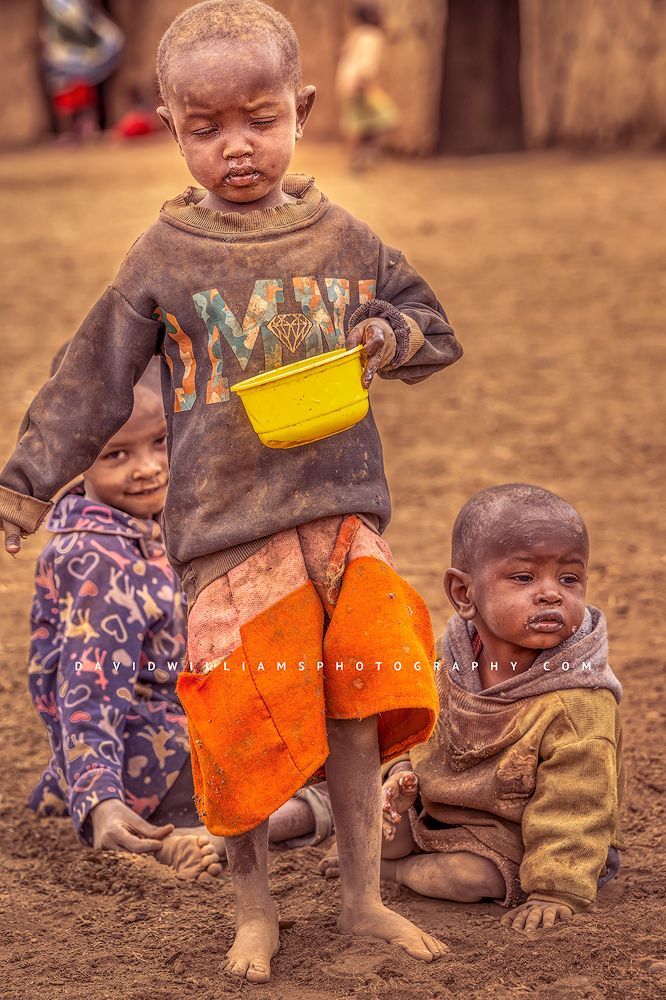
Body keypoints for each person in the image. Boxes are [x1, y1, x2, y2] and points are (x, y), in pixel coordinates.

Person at [0, 0, 463, 983]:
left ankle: (362, 899)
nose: (236, 148)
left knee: (351, 707)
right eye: (205, 130)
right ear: (170, 130)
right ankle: (253, 910)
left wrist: (388, 336)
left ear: (299, 111)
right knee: (242, 717)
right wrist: (25, 485)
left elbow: (431, 325)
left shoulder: (343, 236)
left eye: (259, 119)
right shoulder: (165, 254)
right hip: (225, 523)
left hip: (339, 509)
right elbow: (91, 377)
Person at [28, 353, 334, 877]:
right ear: (75, 457)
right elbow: (86, 684)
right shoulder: (97, 558)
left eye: (161, 441)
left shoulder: (166, 523)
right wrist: (100, 799)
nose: (147, 468)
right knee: (339, 773)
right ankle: (206, 838)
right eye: (116, 454)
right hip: (157, 763)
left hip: (160, 748)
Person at [320, 484, 624, 931]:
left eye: (569, 578)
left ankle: (394, 875)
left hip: (526, 840)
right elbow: (418, 727)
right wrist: (399, 780)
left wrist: (553, 891)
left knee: (465, 876)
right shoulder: (449, 657)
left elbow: (578, 807)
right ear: (464, 593)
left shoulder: (578, 703)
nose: (551, 594)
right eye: (524, 578)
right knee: (372, 826)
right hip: (442, 811)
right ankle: (377, 856)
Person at [40, 0, 124, 141]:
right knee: (65, 97)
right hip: (61, 56)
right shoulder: (52, 4)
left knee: (84, 94)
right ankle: (67, 132)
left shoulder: (81, 4)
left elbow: (91, 24)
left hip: (83, 54)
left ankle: (88, 129)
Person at [335, 1, 399, 170]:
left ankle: (359, 158)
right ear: (372, 16)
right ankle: (363, 156)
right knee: (387, 117)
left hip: (348, 85)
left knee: (360, 122)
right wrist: (367, 85)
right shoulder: (372, 36)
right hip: (360, 85)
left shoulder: (357, 34)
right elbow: (365, 65)